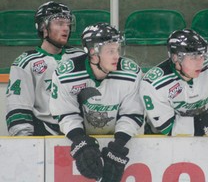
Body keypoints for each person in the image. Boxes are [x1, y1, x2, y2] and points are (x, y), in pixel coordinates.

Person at [49, 22, 144, 181]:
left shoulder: (131, 73)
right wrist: (80, 141)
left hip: (123, 140)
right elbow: (66, 114)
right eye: (110, 51)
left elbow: (132, 114)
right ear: (93, 52)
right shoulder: (66, 75)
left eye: (118, 49)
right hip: (81, 138)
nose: (116, 56)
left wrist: (119, 145)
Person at [5, 1, 84, 136]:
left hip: (80, 132)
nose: (66, 28)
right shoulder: (25, 62)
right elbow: (18, 106)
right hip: (42, 133)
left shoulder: (81, 58)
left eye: (68, 23)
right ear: (43, 27)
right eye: (60, 23)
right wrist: (25, 143)